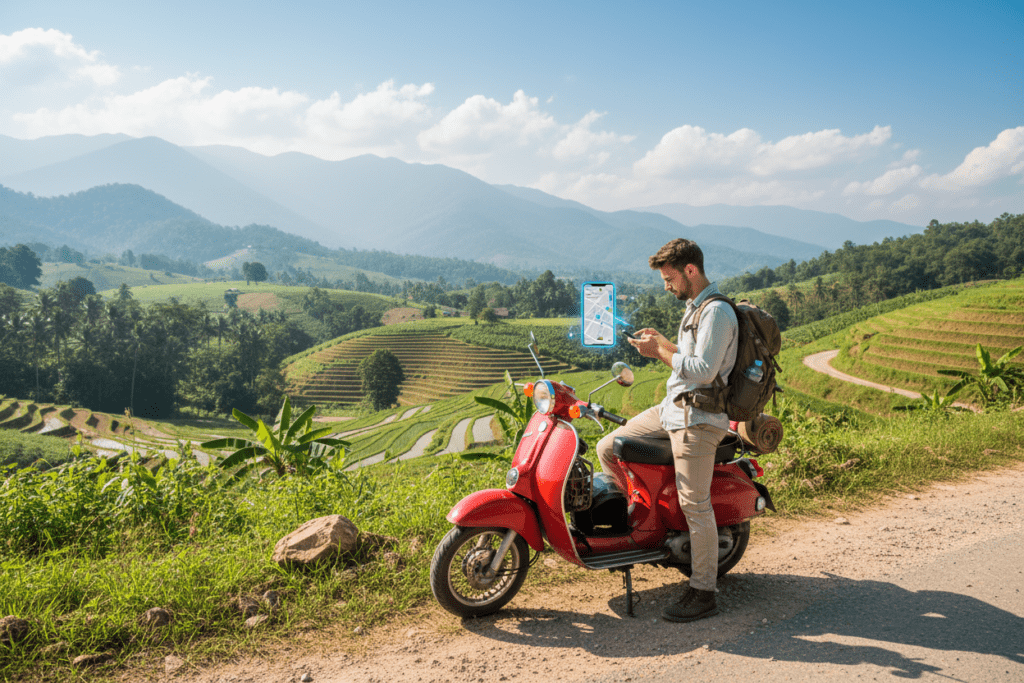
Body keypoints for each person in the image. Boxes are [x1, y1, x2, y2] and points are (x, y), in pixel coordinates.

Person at [596, 238, 738, 623]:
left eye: (670, 278)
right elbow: (689, 359)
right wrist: (661, 343)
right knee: (610, 446)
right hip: (671, 410)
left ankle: (703, 589)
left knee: (695, 503)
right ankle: (641, 529)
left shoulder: (717, 313)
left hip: (699, 419)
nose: (667, 286)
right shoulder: (695, 308)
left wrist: (658, 352)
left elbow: (705, 371)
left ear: (691, 271)